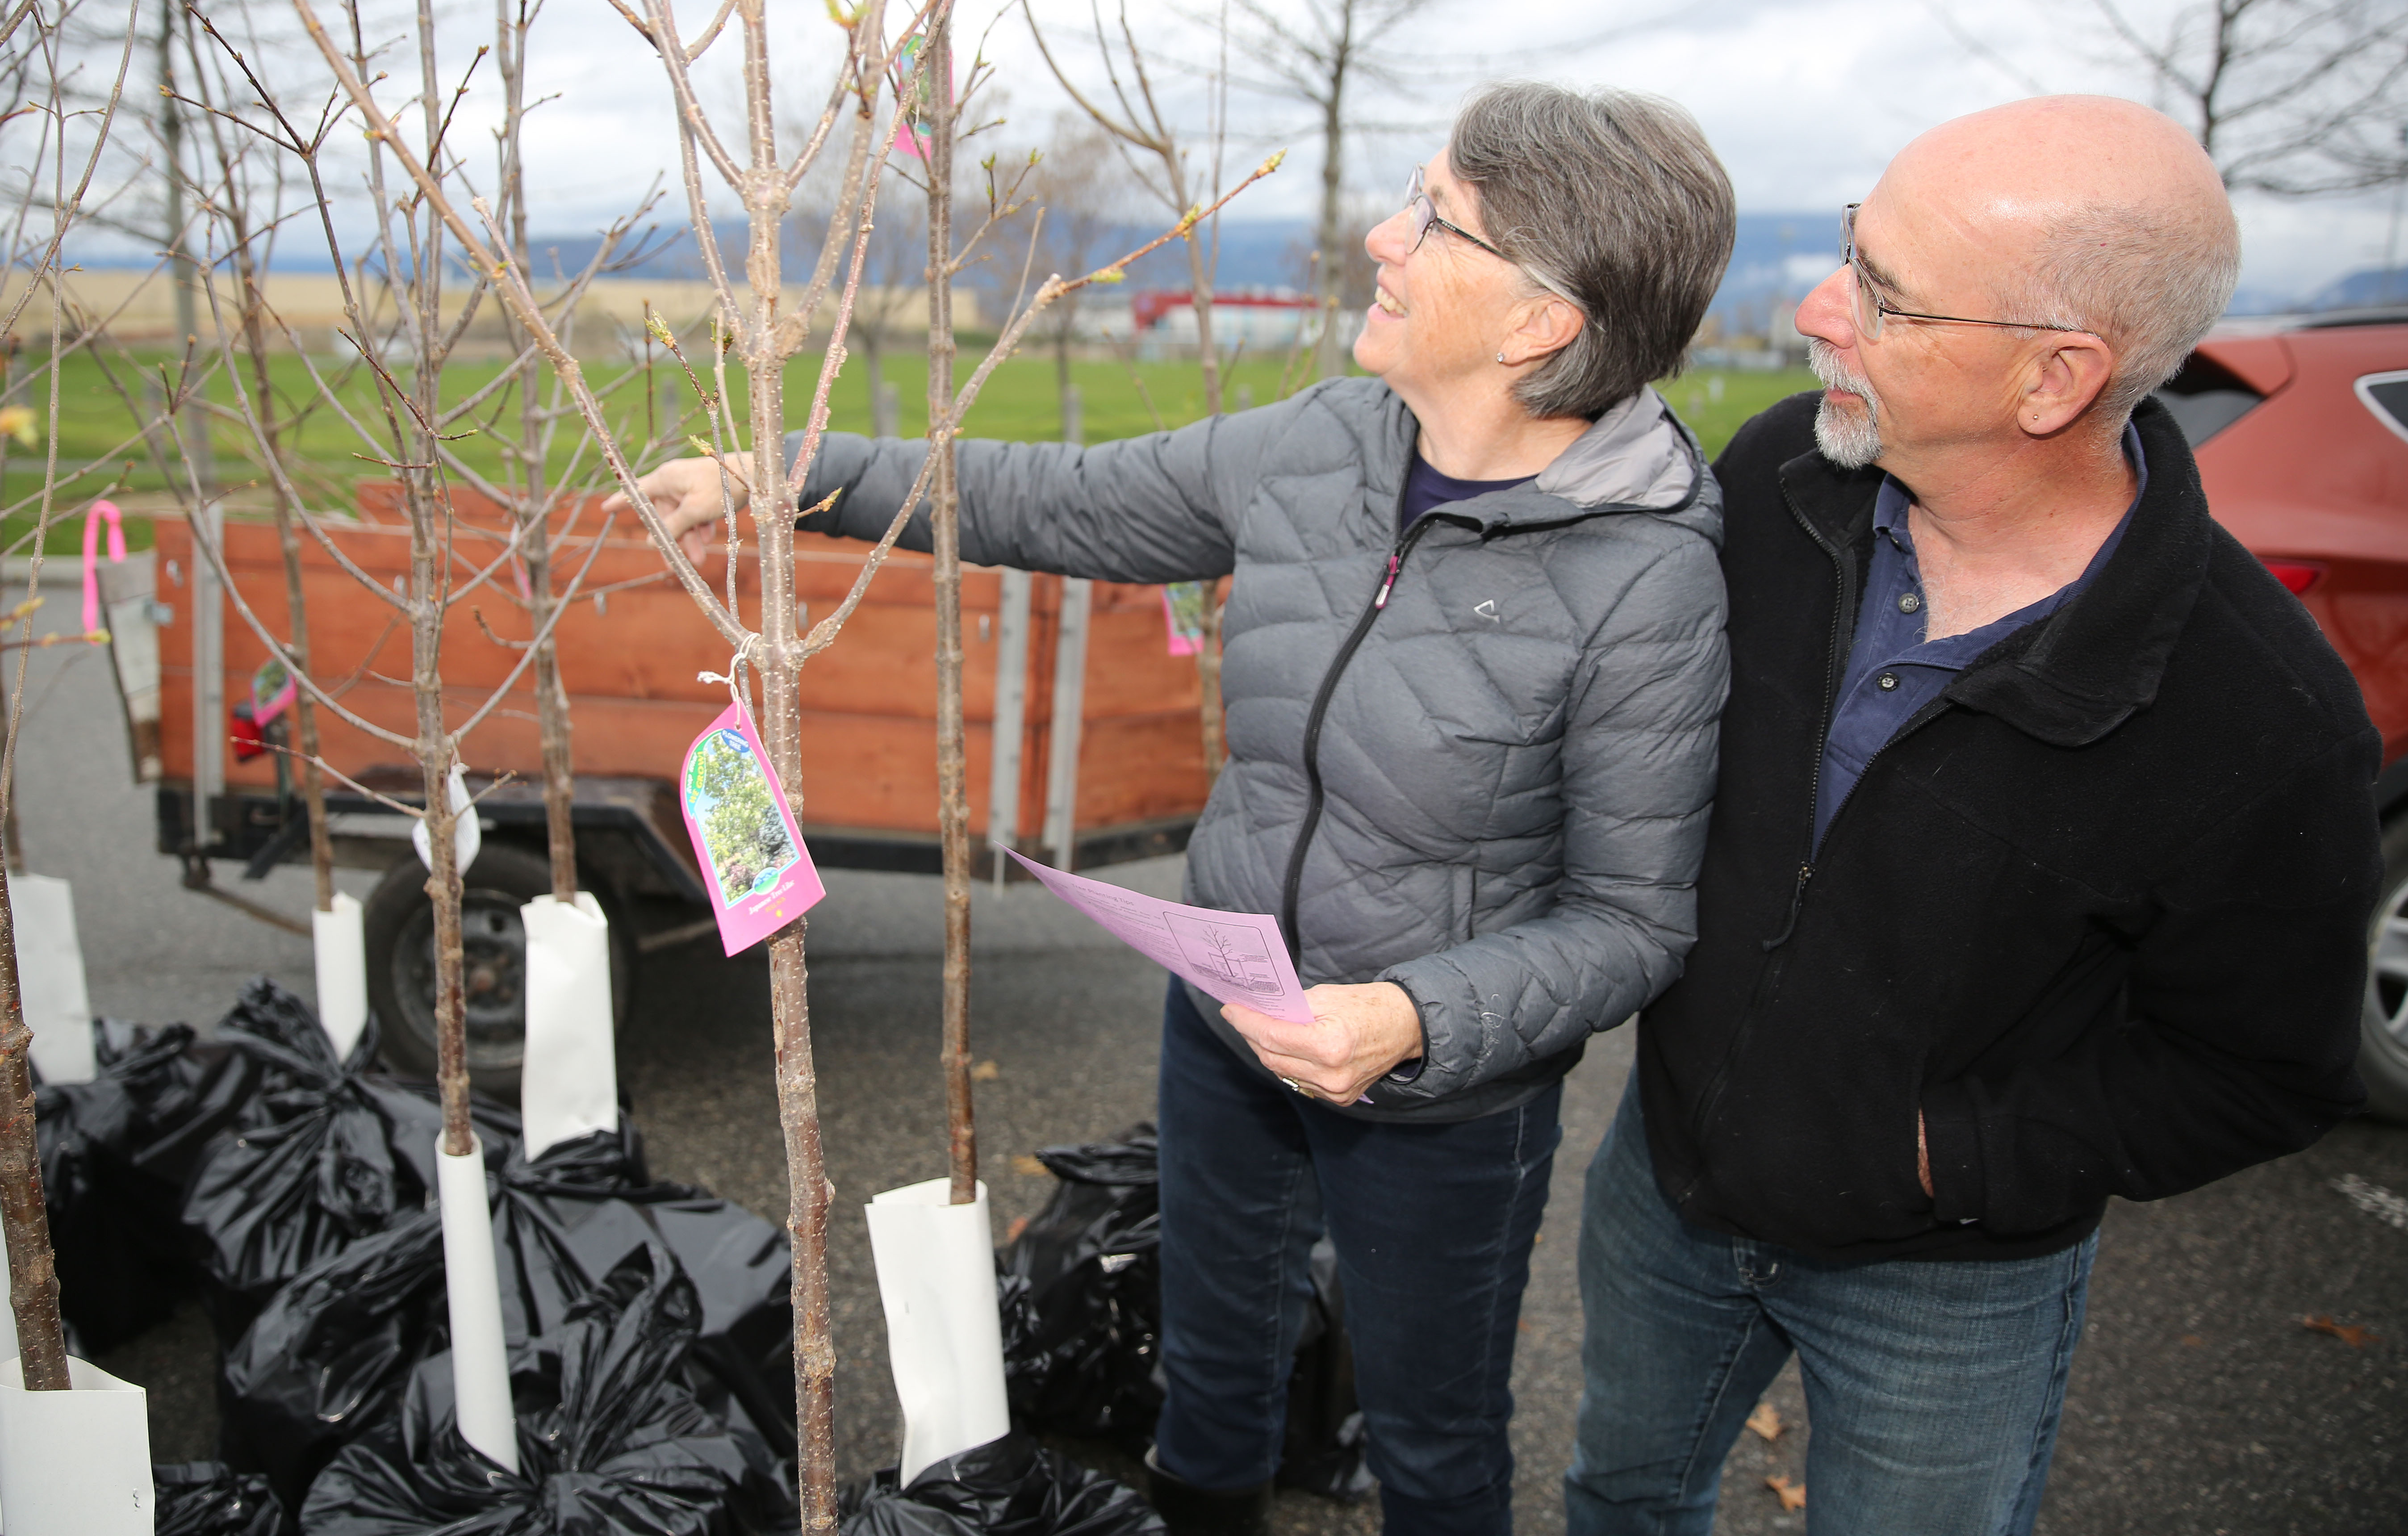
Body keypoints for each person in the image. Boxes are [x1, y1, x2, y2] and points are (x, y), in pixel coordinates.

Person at [614, 81, 1737, 1535]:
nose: (1384, 240)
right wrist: (794, 480)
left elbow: (1634, 920)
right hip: (1226, 1019)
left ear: (1540, 323)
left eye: (1433, 219)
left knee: (1433, 1434)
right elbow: (1065, 499)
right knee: (1210, 1372)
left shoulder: (1649, 580)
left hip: (1440, 1099)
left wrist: (1410, 1018)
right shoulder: (1325, 442)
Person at [1563, 96, 2383, 1536]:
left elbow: (2265, 1073)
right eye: (1849, 251)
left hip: (1945, 1278)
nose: (1819, 310)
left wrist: (1953, 1157)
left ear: (2055, 378)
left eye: (1883, 294)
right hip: (1668, 1181)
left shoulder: (2266, 721)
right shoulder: (1779, 477)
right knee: (1621, 1497)